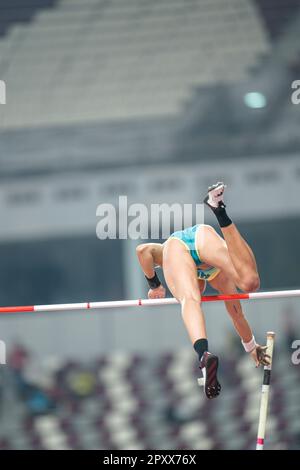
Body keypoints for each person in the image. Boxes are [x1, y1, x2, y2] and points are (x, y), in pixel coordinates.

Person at [136, 182, 270, 399]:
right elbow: (143, 250)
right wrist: (155, 285)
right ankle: (219, 211)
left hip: (192, 244)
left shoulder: (218, 279)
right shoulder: (213, 276)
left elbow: (142, 252)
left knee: (192, 298)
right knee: (249, 283)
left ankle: (203, 355)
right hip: (201, 237)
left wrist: (155, 285)